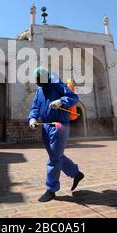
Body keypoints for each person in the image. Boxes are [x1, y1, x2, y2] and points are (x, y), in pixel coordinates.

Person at [28, 67, 85, 202]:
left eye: (39, 80)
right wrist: (32, 118)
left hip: (59, 125)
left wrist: (61, 101)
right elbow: (35, 107)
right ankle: (75, 173)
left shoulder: (57, 85)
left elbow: (73, 97)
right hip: (46, 126)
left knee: (54, 158)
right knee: (56, 155)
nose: (38, 83)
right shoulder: (39, 90)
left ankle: (51, 189)